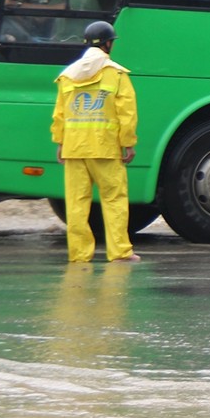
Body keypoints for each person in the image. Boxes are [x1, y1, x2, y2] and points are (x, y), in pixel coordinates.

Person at [52, 21, 140, 264]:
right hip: (105, 148)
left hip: (74, 149)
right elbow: (127, 113)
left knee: (77, 203)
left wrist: (60, 142)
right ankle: (120, 252)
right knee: (114, 199)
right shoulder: (116, 74)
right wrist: (128, 143)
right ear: (108, 44)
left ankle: (79, 255)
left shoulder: (67, 76)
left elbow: (60, 113)